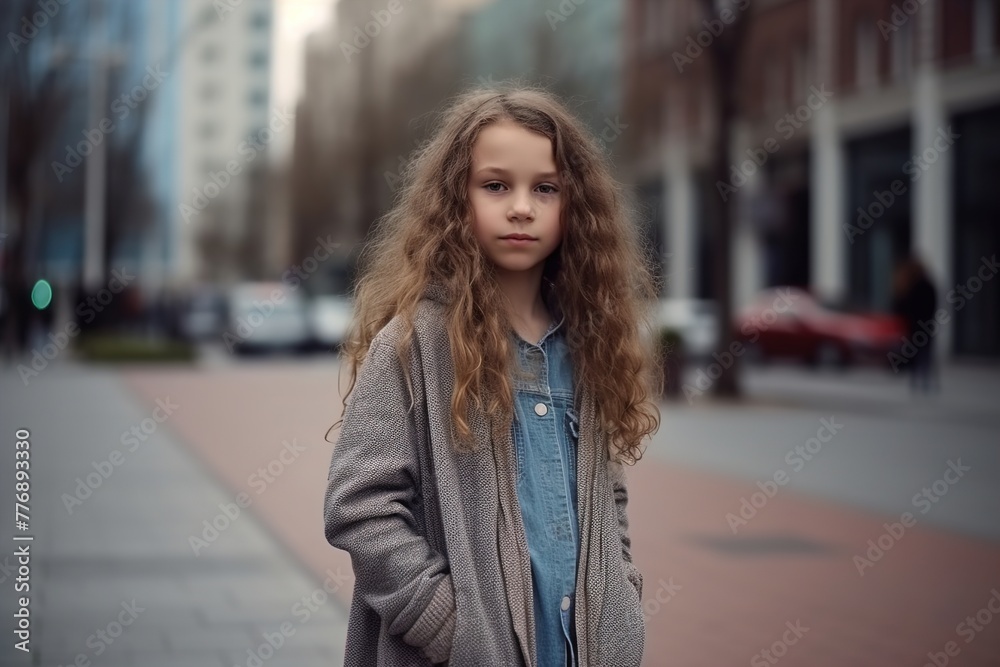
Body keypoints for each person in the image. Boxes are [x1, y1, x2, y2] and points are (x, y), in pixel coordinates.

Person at [322, 86, 663, 667]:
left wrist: (622, 603)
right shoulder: (413, 343)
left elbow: (611, 497)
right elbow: (360, 507)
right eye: (497, 185)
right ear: (458, 198)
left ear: (573, 205)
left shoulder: (589, 342)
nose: (522, 207)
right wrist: (451, 628)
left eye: (546, 188)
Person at [891, 256, 939, 393]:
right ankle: (924, 380)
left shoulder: (914, 287)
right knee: (925, 354)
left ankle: (919, 380)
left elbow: (905, 307)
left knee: (918, 353)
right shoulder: (925, 286)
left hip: (916, 326)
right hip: (925, 326)